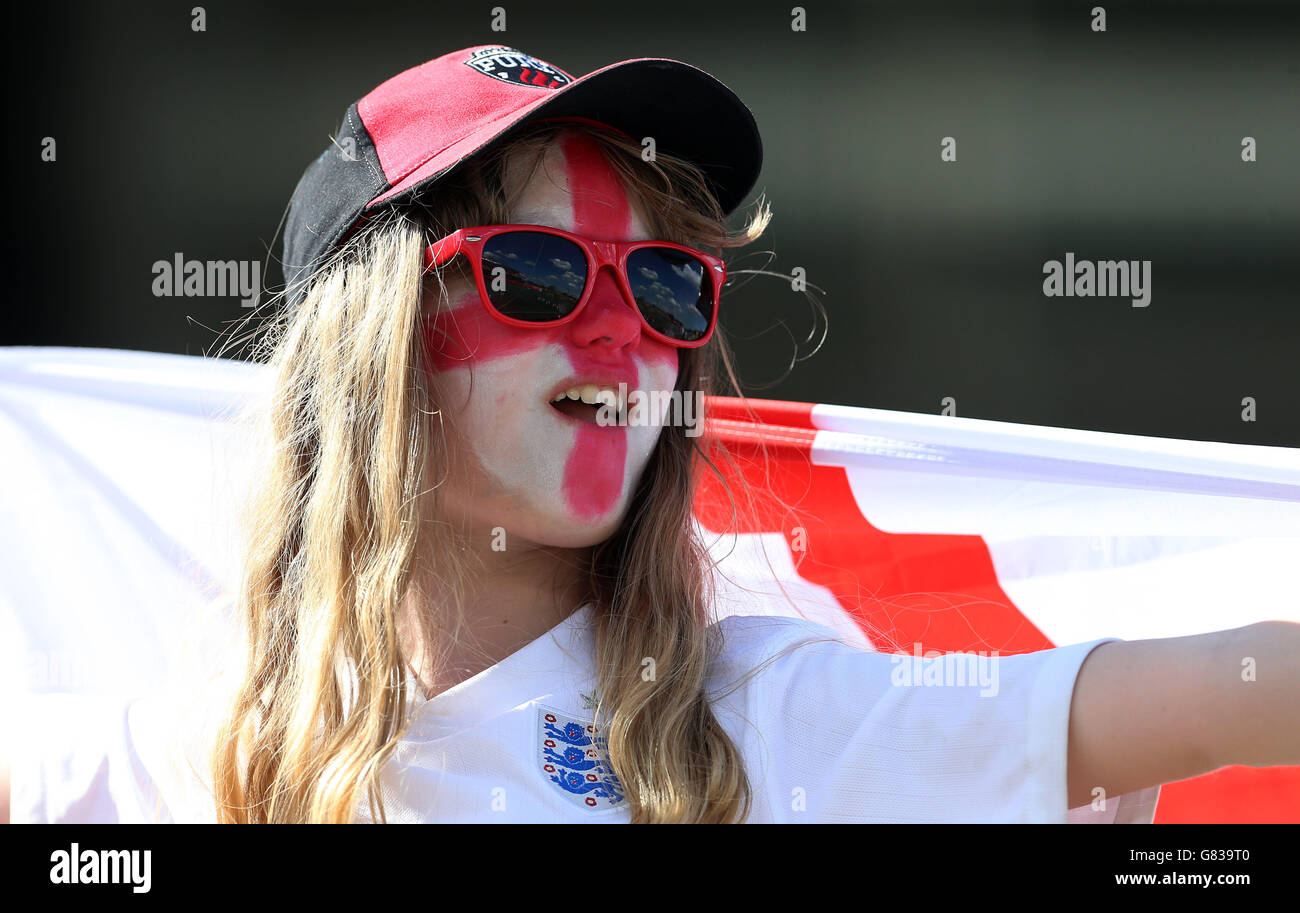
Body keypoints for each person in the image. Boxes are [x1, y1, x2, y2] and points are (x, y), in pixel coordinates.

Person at [8, 45, 1298, 825]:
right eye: (539, 274)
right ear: (371, 347)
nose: (626, 334)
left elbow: (1229, 685)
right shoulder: (186, 763)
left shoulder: (763, 722)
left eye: (666, 285)